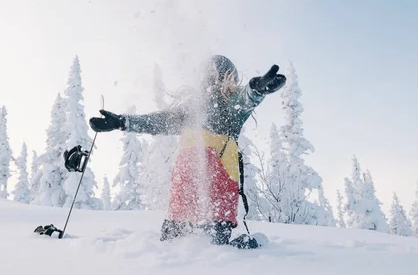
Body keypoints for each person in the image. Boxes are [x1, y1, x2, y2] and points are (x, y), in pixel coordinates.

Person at [89, 55, 286, 247]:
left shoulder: (231, 108)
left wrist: (257, 89)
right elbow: (157, 122)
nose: (213, 81)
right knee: (172, 248)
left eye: (219, 75)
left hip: (218, 191)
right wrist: (122, 122)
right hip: (184, 193)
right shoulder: (189, 110)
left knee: (214, 251)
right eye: (209, 75)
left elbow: (246, 98)